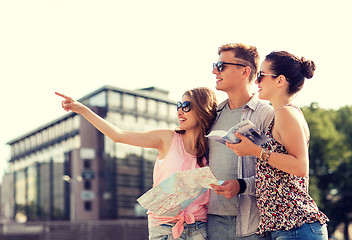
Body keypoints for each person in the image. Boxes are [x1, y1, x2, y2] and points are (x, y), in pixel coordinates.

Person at [55, 87, 218, 240]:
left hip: (199, 228)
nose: (180, 110)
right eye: (179, 105)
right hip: (164, 228)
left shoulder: (213, 148)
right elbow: (118, 135)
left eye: (186, 106)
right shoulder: (167, 138)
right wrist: (81, 109)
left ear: (202, 109)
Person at [226, 51, 329, 239]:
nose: (256, 82)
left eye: (261, 76)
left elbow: (300, 166)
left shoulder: (286, 114)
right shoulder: (281, 114)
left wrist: (255, 151)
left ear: (280, 80)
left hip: (296, 227)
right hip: (285, 228)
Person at [208, 43, 274, 240]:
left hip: (252, 222)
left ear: (245, 71)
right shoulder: (212, 115)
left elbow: (278, 172)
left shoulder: (266, 114)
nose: (214, 71)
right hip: (213, 220)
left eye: (221, 66)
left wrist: (241, 185)